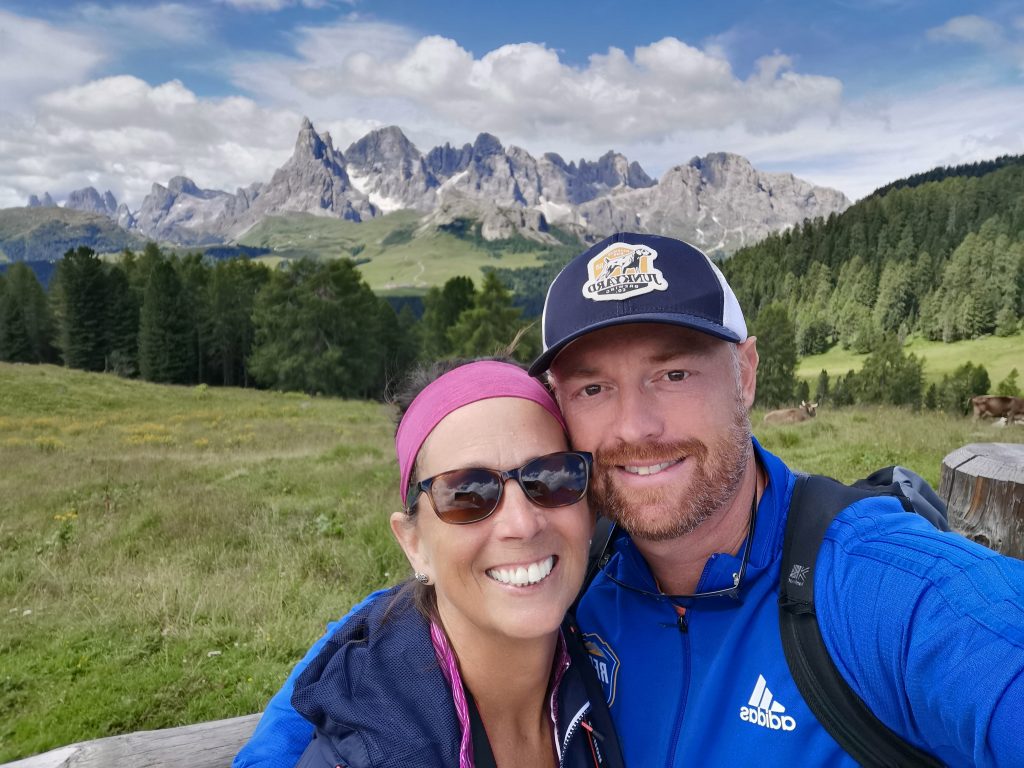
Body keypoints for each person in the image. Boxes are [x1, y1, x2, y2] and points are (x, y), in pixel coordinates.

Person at [237, 234, 1024, 767]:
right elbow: (410, 618)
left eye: (673, 373)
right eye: (593, 386)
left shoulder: (879, 592)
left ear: (745, 376)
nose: (635, 427)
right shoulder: (572, 567)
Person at [271, 359, 624, 768]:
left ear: (589, 511)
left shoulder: (611, 655)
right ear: (415, 544)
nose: (522, 524)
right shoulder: (369, 753)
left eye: (551, 477)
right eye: (466, 495)